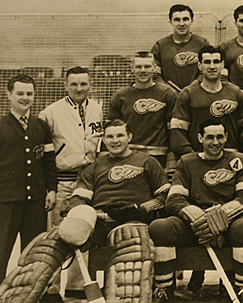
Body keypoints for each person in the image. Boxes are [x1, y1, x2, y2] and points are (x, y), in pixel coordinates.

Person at [148, 119, 243, 303]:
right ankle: (164, 290)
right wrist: (198, 216)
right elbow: (174, 200)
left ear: (226, 137)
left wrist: (219, 219)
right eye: (209, 137)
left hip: (228, 222)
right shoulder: (187, 162)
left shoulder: (240, 160)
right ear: (200, 138)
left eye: (219, 137)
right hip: (194, 223)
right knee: (160, 228)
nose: (215, 142)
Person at [0, 74, 57, 302]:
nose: (25, 98)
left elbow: (48, 162)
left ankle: (27, 300)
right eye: (20, 93)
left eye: (30, 94)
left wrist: (51, 189)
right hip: (4, 202)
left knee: (33, 254)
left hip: (34, 202)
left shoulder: (40, 127)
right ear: (9, 95)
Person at [64, 119, 170, 280]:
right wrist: (84, 215)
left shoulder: (147, 162)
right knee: (54, 239)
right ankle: (43, 290)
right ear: (104, 140)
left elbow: (164, 196)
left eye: (120, 135)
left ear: (129, 137)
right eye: (110, 137)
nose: (115, 141)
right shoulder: (94, 166)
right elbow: (79, 198)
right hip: (102, 224)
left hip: (135, 221)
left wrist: (140, 209)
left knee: (131, 238)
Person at [38, 66, 103, 297]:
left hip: (87, 181)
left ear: (90, 85)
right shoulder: (51, 112)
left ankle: (77, 285)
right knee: (57, 233)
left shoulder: (96, 108)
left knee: (83, 231)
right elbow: (43, 152)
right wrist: (49, 187)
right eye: (74, 84)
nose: (79, 88)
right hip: (62, 180)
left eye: (83, 84)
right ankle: (51, 288)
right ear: (65, 86)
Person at [170, 45, 243, 158]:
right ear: (199, 65)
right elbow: (177, 133)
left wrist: (238, 156)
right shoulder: (187, 94)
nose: (212, 66)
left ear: (222, 65)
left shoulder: (235, 93)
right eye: (207, 62)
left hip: (229, 157)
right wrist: (192, 158)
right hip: (199, 156)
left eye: (216, 62)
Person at [107, 51, 176, 167]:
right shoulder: (120, 96)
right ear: (132, 69)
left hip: (158, 154)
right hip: (128, 154)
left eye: (147, 66)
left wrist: (171, 158)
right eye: (138, 67)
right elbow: (112, 130)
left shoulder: (167, 94)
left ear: (154, 68)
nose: (143, 70)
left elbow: (173, 130)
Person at [150, 4, 209, 91]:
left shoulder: (202, 44)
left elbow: (207, 70)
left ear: (192, 21)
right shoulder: (160, 46)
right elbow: (155, 74)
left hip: (195, 94)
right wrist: (168, 90)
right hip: (169, 96)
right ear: (170, 22)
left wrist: (192, 88)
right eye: (177, 20)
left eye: (185, 19)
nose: (181, 24)